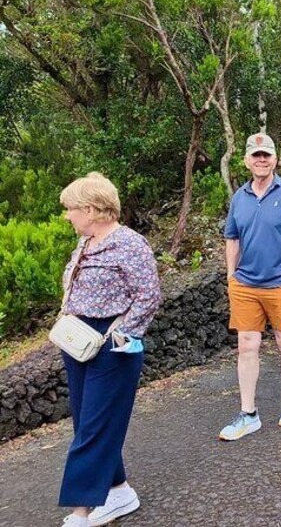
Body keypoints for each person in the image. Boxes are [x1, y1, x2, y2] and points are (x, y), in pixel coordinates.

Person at [57, 173, 161, 527]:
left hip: (112, 343)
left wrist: (122, 336)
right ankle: (119, 490)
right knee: (89, 420)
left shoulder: (129, 244)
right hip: (79, 341)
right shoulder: (86, 243)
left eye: (70, 209)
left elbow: (148, 295)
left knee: (95, 425)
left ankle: (81, 510)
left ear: (90, 209)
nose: (67, 216)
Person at [218, 133, 281, 441]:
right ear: (247, 160)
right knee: (246, 345)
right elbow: (232, 238)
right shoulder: (240, 196)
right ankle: (248, 414)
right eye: (256, 155)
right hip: (246, 284)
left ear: (275, 159)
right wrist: (231, 276)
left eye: (267, 155)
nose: (261, 160)